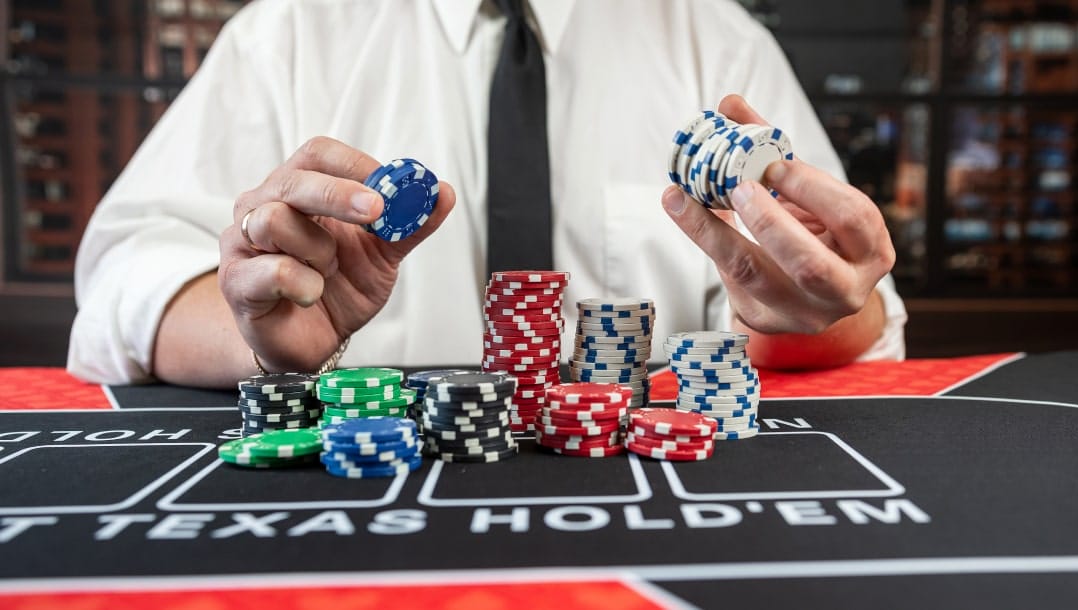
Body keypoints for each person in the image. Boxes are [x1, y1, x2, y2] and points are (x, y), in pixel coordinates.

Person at [68, 0, 906, 388]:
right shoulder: (282, 32)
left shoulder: (720, 38)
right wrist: (257, 334)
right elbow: (123, 281)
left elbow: (855, 309)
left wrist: (804, 302)